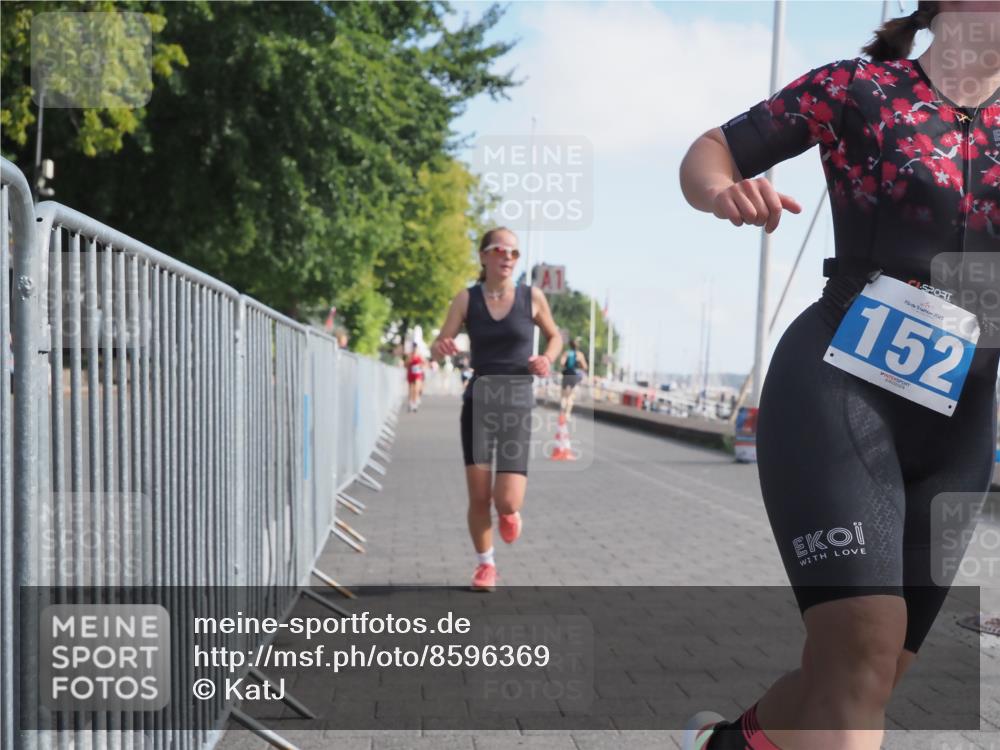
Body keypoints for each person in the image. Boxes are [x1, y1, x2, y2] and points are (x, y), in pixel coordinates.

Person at [678, 3, 999, 749]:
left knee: (863, 675)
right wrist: (723, 190)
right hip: (840, 388)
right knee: (859, 655)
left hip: (961, 428)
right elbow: (712, 150)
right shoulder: (859, 88)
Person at [430, 227, 562, 592]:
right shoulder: (466, 298)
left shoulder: (531, 297)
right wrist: (441, 347)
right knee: (478, 497)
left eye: (514, 253)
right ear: (484, 256)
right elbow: (440, 341)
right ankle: (485, 564)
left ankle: (509, 513)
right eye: (500, 250)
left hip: (517, 405)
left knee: (505, 500)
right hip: (478, 406)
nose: (508, 257)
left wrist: (547, 358)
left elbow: (555, 335)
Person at [557, 338, 588, 419]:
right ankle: (567, 414)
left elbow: (562, 363)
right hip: (574, 375)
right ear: (577, 346)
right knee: (571, 396)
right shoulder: (580, 354)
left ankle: (561, 413)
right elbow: (585, 367)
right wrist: (579, 365)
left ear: (570, 345)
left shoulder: (566, 353)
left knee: (564, 396)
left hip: (566, 374)